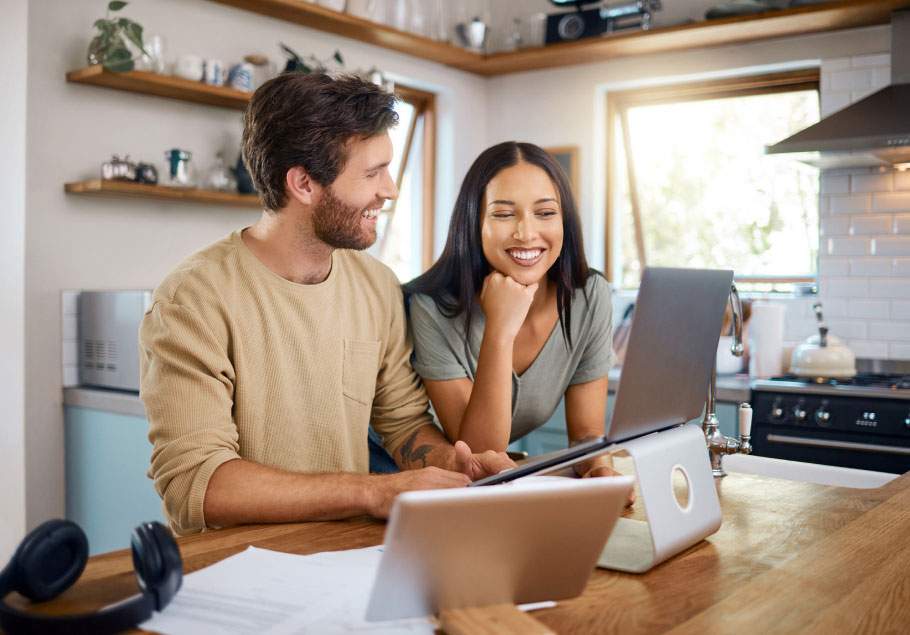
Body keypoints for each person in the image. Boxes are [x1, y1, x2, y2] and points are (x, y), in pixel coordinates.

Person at [138, 73, 514, 536]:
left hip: (345, 555)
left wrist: (458, 469)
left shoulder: (377, 285)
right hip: (232, 570)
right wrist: (372, 491)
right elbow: (197, 486)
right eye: (372, 172)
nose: (390, 189)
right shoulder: (193, 300)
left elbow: (403, 424)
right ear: (303, 184)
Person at [404, 141, 631, 489]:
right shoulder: (430, 307)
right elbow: (481, 454)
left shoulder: (588, 295)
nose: (527, 233)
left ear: (564, 221)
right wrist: (500, 330)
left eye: (545, 213)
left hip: (476, 492)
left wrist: (598, 468)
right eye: (504, 213)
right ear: (474, 222)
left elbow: (587, 433)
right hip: (405, 480)